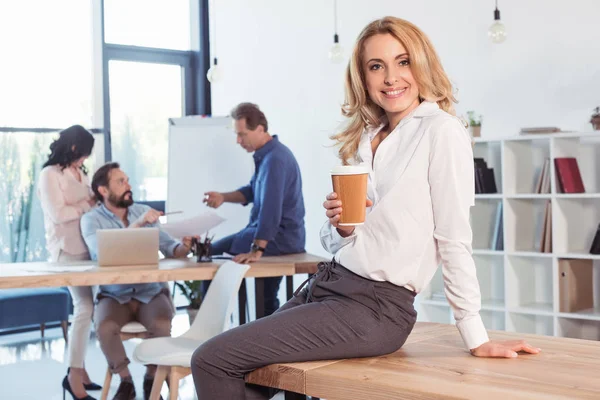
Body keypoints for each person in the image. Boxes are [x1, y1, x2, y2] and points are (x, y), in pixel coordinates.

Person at [190, 17, 540, 399]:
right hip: (327, 286)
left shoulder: (442, 131)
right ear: (363, 77)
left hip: (374, 307)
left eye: (403, 62)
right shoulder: (366, 137)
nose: (391, 77)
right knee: (261, 378)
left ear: (422, 64)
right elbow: (344, 241)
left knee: (211, 359)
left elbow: (453, 238)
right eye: (377, 66)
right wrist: (341, 228)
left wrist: (475, 334)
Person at [80, 162, 195, 400]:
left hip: (150, 292)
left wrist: (184, 246)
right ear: (103, 190)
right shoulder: (91, 220)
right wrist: (140, 224)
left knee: (162, 324)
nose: (128, 186)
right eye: (121, 182)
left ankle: (151, 379)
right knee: (104, 327)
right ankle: (125, 381)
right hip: (114, 295)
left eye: (128, 180)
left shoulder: (142, 211)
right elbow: (101, 253)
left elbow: (170, 248)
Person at [203, 102, 306, 316]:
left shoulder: (275, 159)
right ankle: (241, 328)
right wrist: (223, 197)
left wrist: (257, 249)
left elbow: (271, 208)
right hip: (266, 233)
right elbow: (252, 191)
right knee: (214, 253)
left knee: (212, 254)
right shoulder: (267, 156)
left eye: (242, 135)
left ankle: (227, 324)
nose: (238, 141)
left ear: (260, 129)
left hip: (280, 238)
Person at [37, 125, 101, 400]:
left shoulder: (80, 172)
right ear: (74, 148)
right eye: (84, 153)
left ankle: (81, 371)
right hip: (66, 249)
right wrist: (87, 204)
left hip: (88, 247)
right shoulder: (49, 174)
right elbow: (58, 213)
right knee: (85, 307)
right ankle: (74, 376)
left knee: (90, 308)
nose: (85, 159)